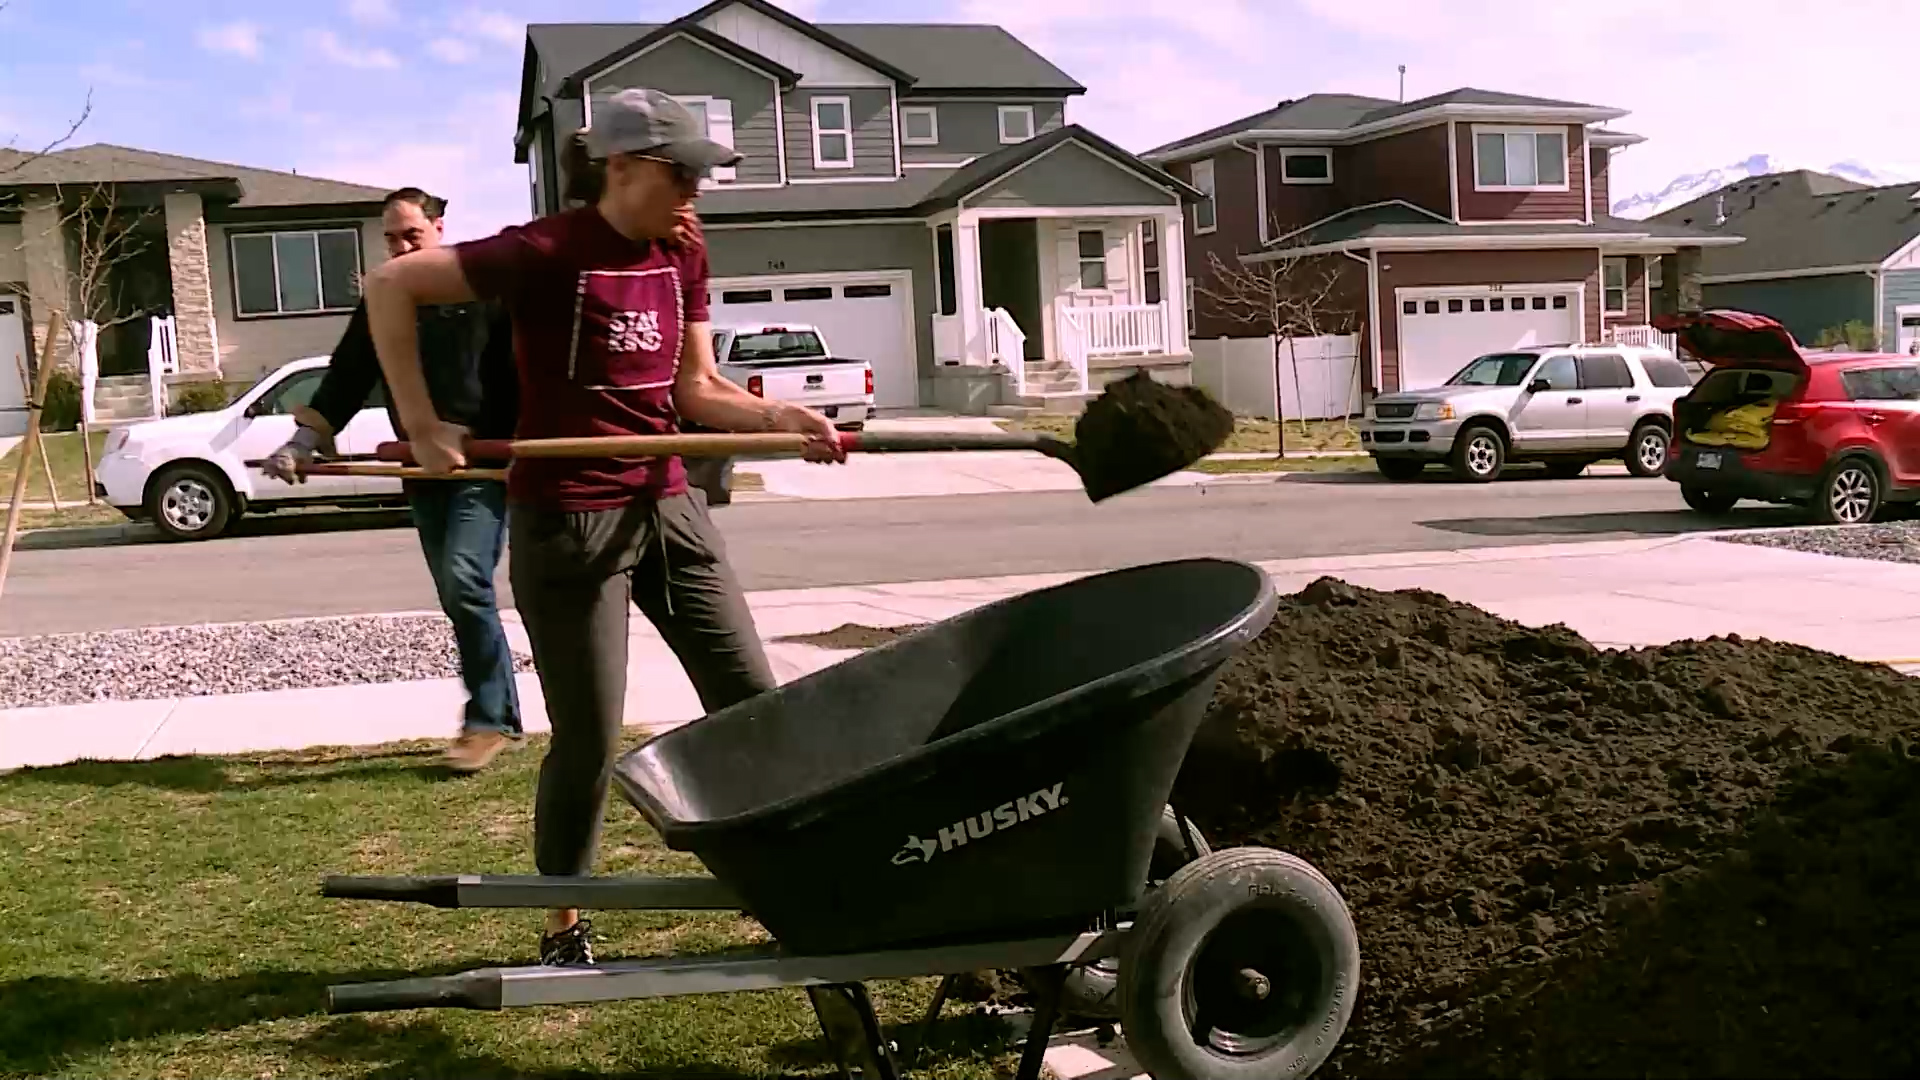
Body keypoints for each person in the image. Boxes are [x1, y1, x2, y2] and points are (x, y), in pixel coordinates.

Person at [358, 88, 846, 966]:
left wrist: (782, 425)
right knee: (589, 736)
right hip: (567, 522)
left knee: (751, 703)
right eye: (682, 173)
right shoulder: (547, 250)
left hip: (669, 506)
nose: (697, 189)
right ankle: (563, 921)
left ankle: (795, 879)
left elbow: (693, 391)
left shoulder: (681, 252)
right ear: (621, 168)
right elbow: (391, 283)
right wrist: (424, 424)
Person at [263, 187, 526, 774]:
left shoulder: (481, 290)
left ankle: (486, 720)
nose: (402, 246)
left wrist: (506, 440)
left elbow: (516, 376)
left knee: (464, 580)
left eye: (412, 234)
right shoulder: (384, 298)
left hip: (478, 466)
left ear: (439, 228)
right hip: (419, 468)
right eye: (391, 237)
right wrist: (302, 443)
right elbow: (347, 376)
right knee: (459, 594)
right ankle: (500, 714)